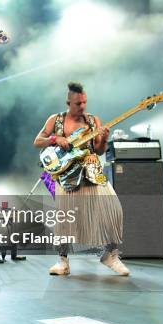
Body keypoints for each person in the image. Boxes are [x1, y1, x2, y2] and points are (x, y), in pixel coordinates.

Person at [33, 82, 130, 276]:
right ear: (68, 102)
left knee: (114, 210)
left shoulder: (94, 121)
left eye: (84, 102)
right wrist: (55, 139)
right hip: (67, 175)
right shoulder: (56, 120)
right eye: (78, 103)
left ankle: (110, 255)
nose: (82, 106)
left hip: (92, 169)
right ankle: (63, 261)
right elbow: (37, 141)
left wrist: (103, 139)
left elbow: (101, 150)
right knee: (65, 220)